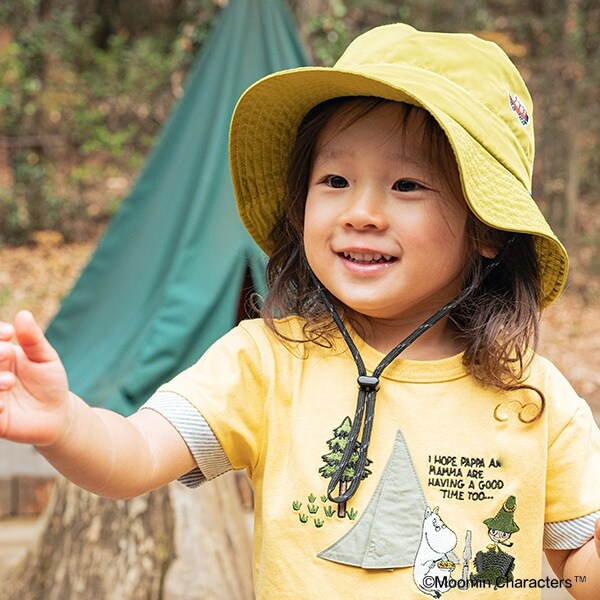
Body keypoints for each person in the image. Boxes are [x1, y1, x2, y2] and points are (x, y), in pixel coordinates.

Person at [0, 23, 599, 599]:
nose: (361, 211)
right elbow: (135, 454)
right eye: (335, 179)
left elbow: (577, 569)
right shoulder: (265, 362)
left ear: (487, 231)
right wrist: (66, 424)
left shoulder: (531, 397)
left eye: (408, 186)